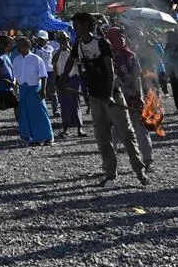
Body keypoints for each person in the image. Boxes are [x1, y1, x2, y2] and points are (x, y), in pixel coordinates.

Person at [62, 12, 148, 186]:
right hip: (94, 97)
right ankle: (110, 174)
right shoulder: (78, 43)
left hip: (112, 95)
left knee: (126, 134)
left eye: (76, 24)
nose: (74, 28)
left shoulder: (102, 43)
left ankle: (139, 171)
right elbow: (71, 61)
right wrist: (62, 78)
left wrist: (109, 94)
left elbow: (110, 72)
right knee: (102, 137)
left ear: (86, 25)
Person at [106, 27, 154, 172]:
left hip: (132, 98)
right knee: (114, 131)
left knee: (140, 129)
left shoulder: (130, 55)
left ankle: (147, 160)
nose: (121, 38)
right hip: (116, 99)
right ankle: (109, 164)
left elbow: (137, 78)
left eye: (122, 36)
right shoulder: (107, 56)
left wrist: (138, 97)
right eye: (117, 36)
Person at [11, 36, 53, 146]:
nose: (18, 48)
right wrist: (14, 89)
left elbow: (44, 76)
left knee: (40, 113)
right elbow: (15, 76)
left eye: (20, 46)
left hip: (35, 89)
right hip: (23, 90)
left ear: (26, 47)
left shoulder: (36, 59)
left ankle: (47, 136)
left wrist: (43, 90)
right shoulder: (16, 60)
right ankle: (29, 137)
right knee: (25, 114)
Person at [52, 32, 86, 138]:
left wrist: (69, 49)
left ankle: (79, 128)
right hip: (62, 80)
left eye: (65, 39)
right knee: (64, 105)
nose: (63, 41)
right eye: (61, 39)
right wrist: (60, 49)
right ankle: (65, 128)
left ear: (68, 39)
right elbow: (53, 62)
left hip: (73, 79)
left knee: (75, 104)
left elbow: (79, 61)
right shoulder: (55, 52)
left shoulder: (73, 52)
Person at [35, 32, 60, 116]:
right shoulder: (35, 49)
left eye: (42, 40)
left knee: (52, 92)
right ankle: (40, 111)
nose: (40, 41)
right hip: (39, 72)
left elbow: (47, 56)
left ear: (46, 40)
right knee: (39, 91)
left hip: (49, 71)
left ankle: (55, 110)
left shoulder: (50, 48)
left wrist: (40, 49)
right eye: (39, 40)